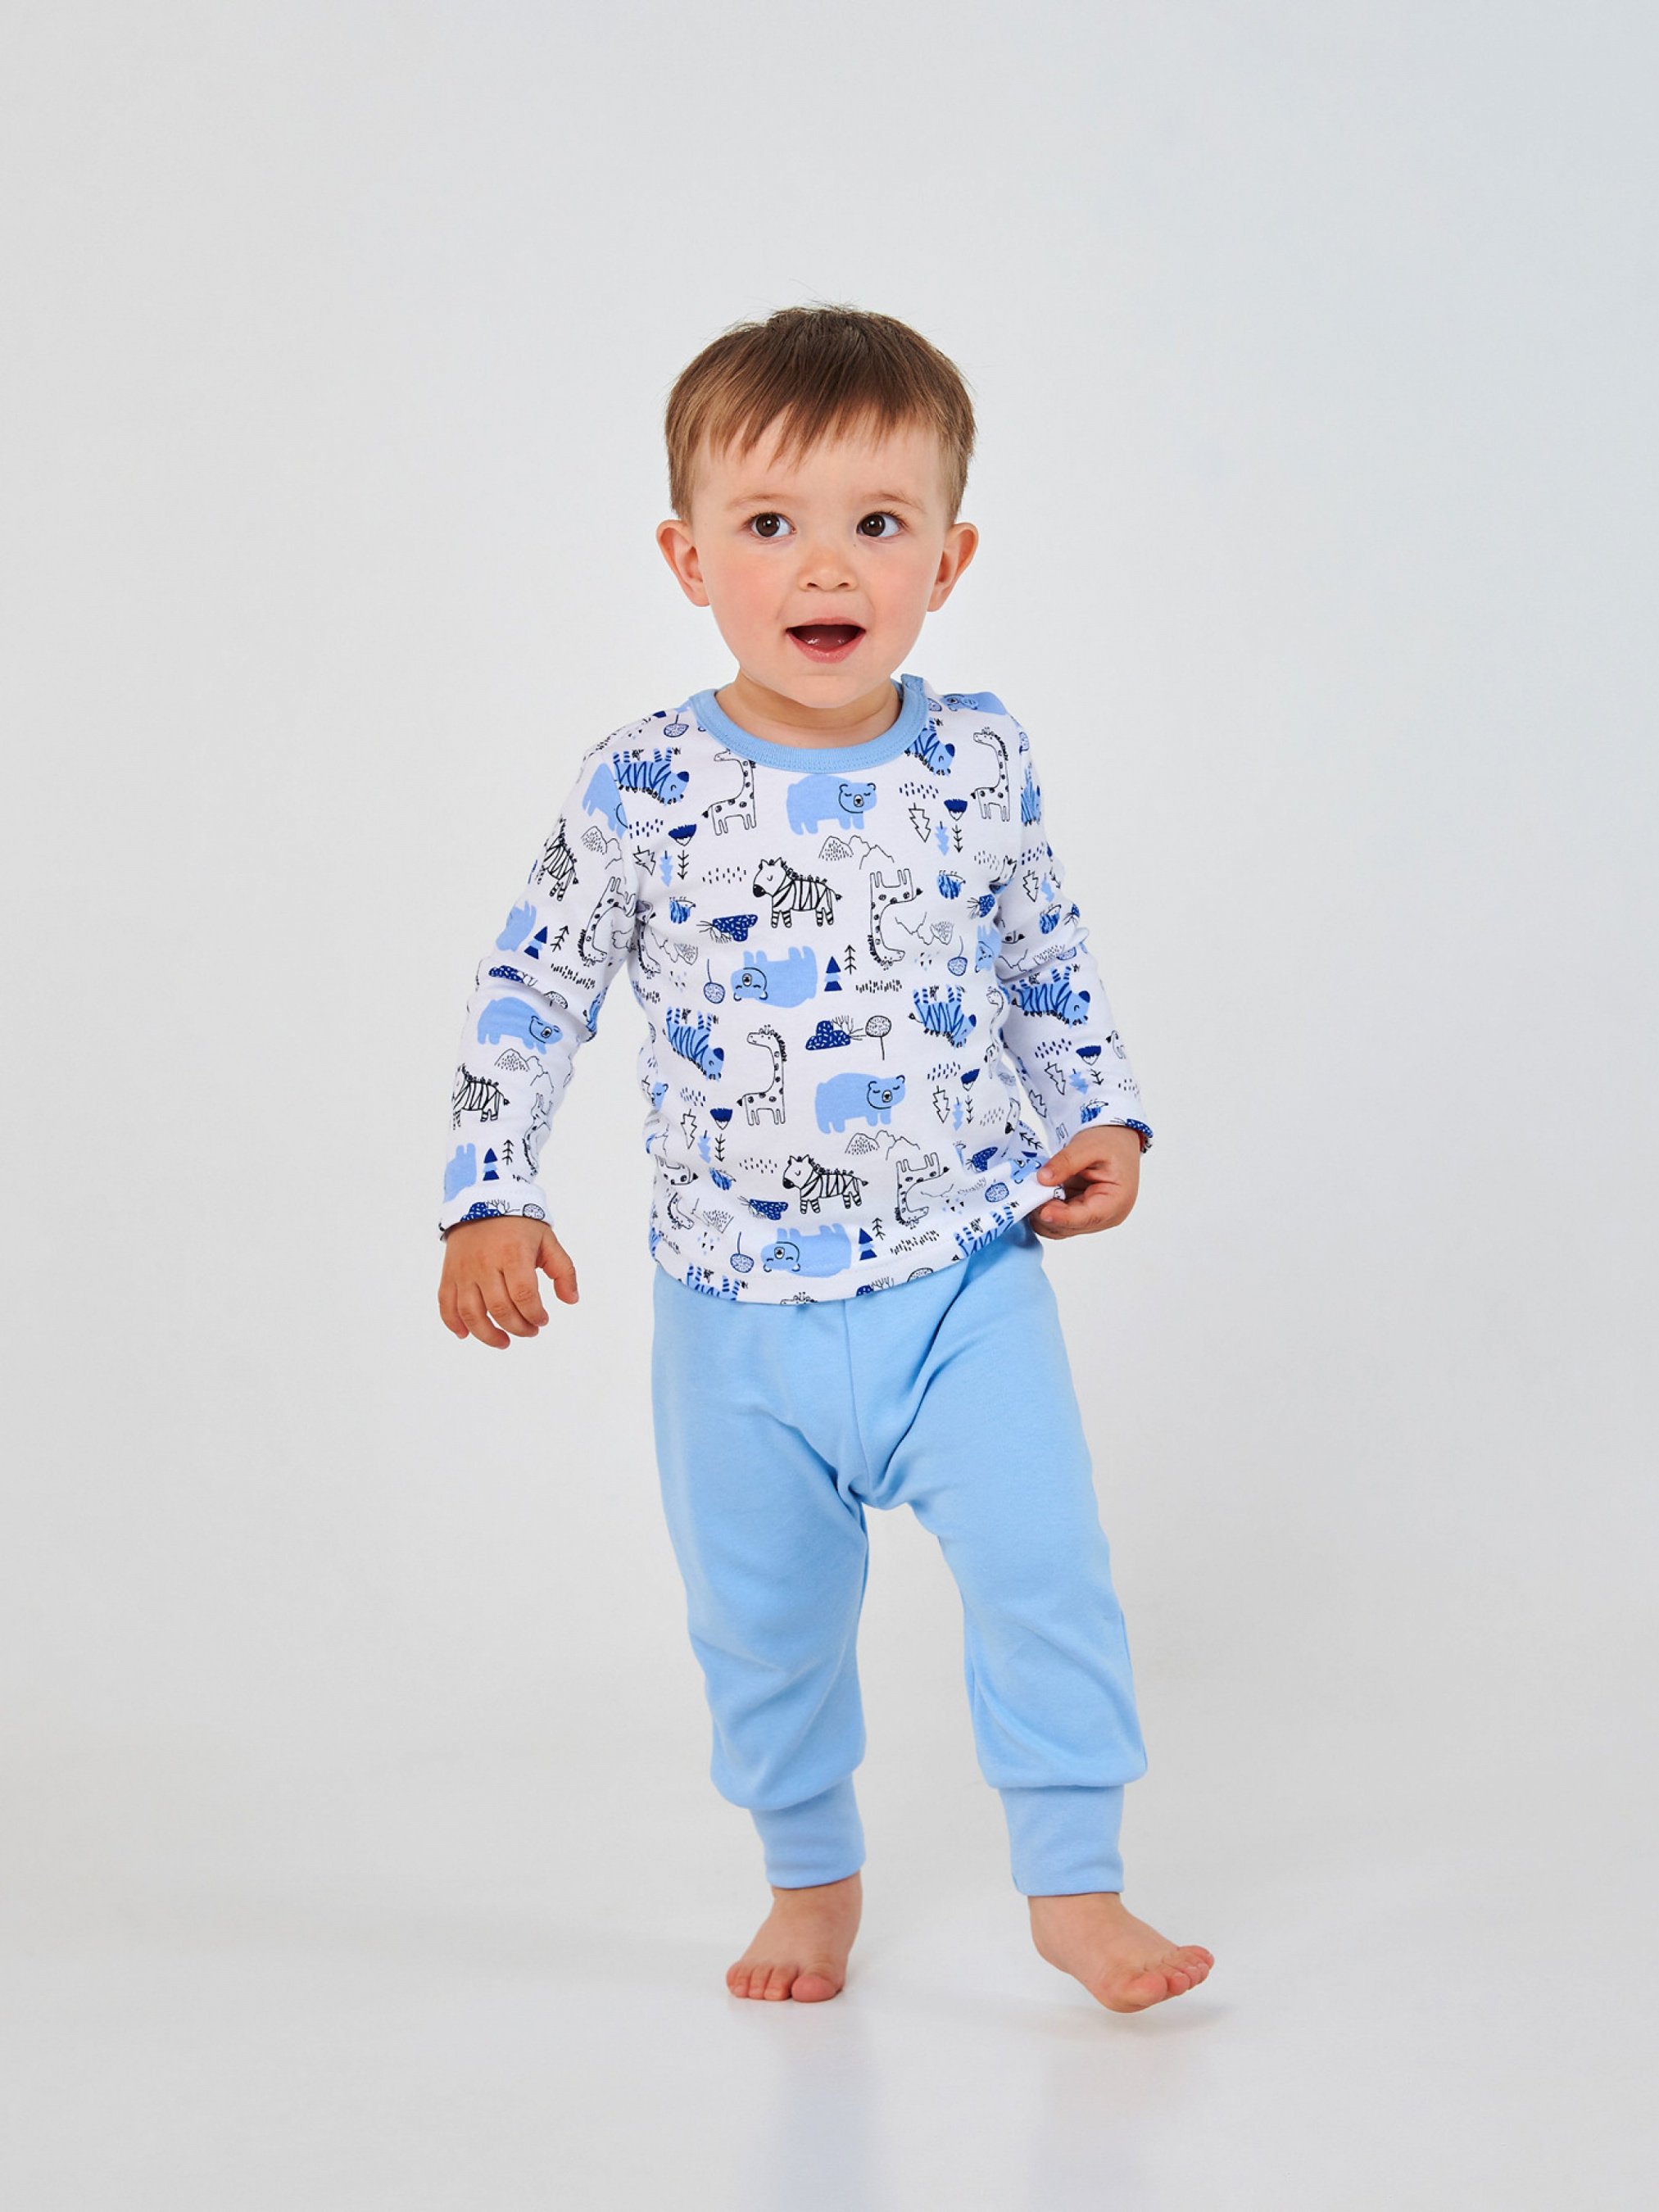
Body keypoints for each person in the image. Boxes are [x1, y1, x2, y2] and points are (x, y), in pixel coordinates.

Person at [437, 306, 1213, 2013]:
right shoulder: (641, 785)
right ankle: (808, 1879)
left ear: (947, 556)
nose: (824, 564)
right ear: (686, 557)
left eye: (876, 521)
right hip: (735, 1315)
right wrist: (490, 1189)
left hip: (963, 1277)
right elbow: (534, 989)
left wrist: (1101, 1112)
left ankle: (1074, 1885)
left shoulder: (977, 759)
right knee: (762, 1624)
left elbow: (1041, 954)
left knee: (1044, 1576)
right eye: (769, 523)